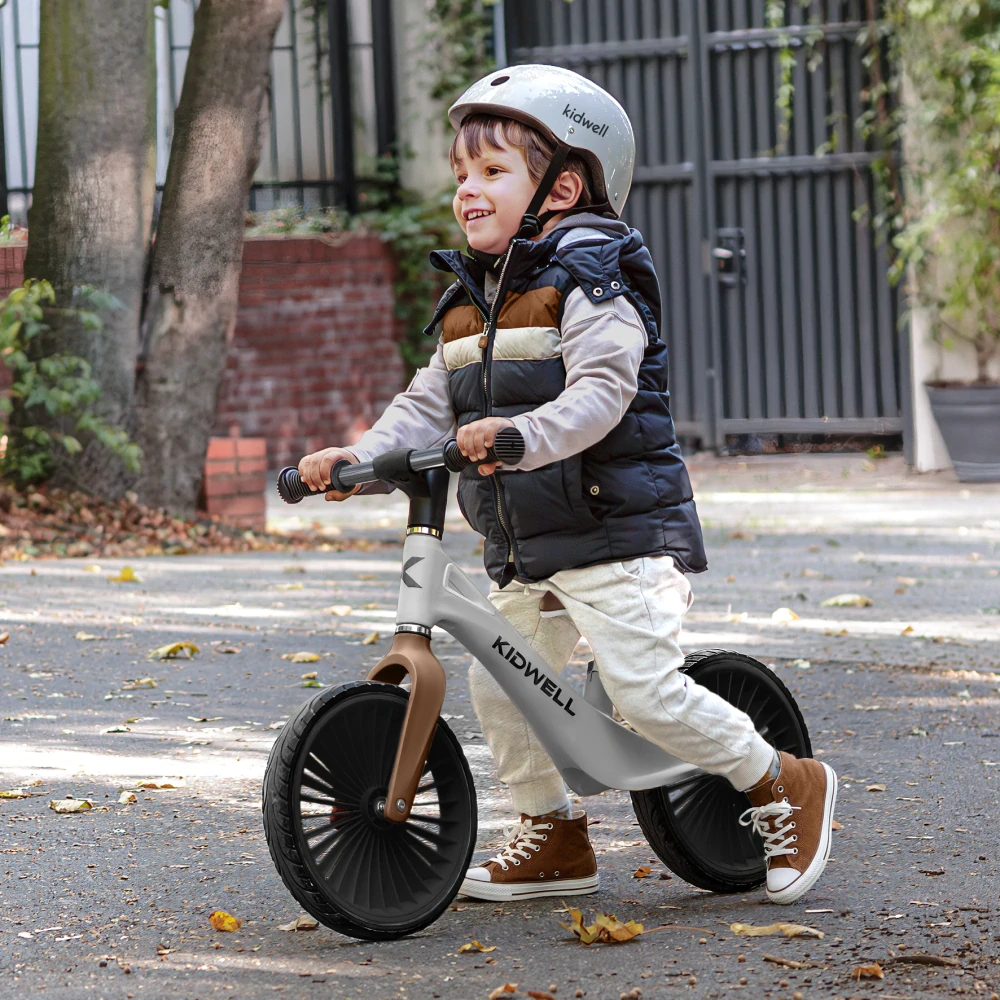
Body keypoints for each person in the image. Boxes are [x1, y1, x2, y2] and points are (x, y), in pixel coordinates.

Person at [298, 65, 837, 906]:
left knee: (645, 693)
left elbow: (602, 392)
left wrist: (520, 437)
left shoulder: (593, 274)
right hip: (528, 543)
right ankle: (553, 833)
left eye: (492, 170)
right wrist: (357, 457)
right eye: (460, 174)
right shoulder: (469, 299)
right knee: (499, 685)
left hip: (616, 531)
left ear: (563, 186)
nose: (467, 190)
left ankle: (782, 782)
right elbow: (425, 402)